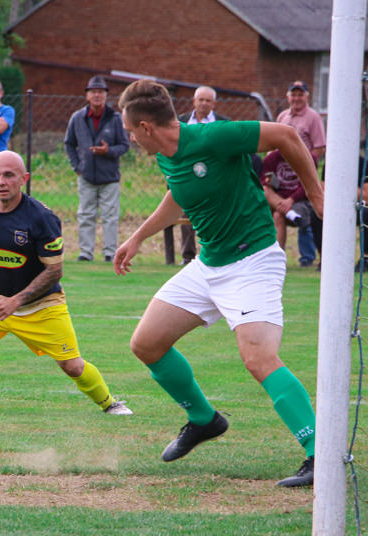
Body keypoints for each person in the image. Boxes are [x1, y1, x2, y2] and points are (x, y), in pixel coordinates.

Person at [113, 79, 324, 487]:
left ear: (145, 128)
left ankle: (320, 454)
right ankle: (203, 420)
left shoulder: (212, 136)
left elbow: (285, 134)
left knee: (259, 358)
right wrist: (139, 237)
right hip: (208, 265)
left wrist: (316, 195)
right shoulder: (165, 153)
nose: (129, 138)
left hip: (252, 262)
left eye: (128, 130)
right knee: (146, 343)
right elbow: (180, 194)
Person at [0, 150, 132, 416]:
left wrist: (16, 301)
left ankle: (110, 403)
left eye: (9, 175)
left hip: (40, 305)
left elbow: (55, 271)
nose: (1, 181)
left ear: (23, 179)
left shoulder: (41, 217)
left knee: (72, 366)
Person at [64, 76, 130, 263]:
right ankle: (86, 252)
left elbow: (124, 146)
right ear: (87, 95)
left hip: (110, 177)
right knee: (85, 214)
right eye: (93, 92)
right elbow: (69, 144)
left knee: (110, 216)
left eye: (101, 92)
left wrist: (108, 151)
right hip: (86, 176)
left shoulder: (115, 118)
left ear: (106, 95)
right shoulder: (77, 118)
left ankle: (110, 252)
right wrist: (77, 166)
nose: (97, 95)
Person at [176, 86, 230, 265]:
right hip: (187, 180)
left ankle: (217, 253)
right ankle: (188, 256)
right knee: (187, 216)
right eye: (201, 100)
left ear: (214, 104)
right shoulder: (180, 123)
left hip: (215, 180)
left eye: (208, 100)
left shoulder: (223, 123)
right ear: (194, 102)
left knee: (217, 217)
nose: (204, 103)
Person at [277, 80, 326, 268]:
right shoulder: (283, 116)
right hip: (283, 174)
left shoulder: (313, 117)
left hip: (303, 172)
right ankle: (276, 259)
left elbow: (320, 146)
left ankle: (307, 257)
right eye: (293, 94)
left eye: (300, 94)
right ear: (288, 97)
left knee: (307, 210)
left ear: (307, 96)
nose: (297, 98)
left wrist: (306, 165)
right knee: (277, 212)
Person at [261, 149, 318, 252]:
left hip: (300, 202)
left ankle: (277, 258)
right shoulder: (271, 158)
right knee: (265, 191)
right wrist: (268, 182)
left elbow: (309, 186)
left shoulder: (308, 158)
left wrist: (291, 199)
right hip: (278, 202)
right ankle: (290, 213)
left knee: (278, 214)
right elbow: (261, 181)